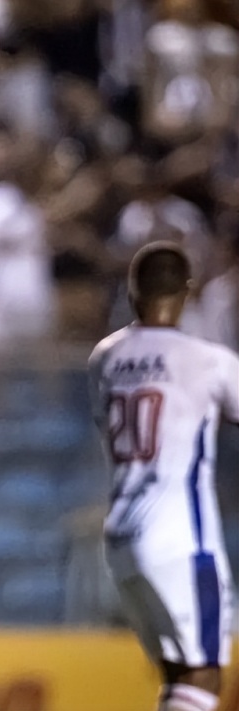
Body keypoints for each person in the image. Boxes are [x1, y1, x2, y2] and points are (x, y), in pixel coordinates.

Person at [88, 242, 239, 711]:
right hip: (181, 534)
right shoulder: (208, 359)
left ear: (132, 291)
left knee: (177, 675)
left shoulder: (105, 356)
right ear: (187, 292)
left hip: (122, 533)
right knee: (204, 674)